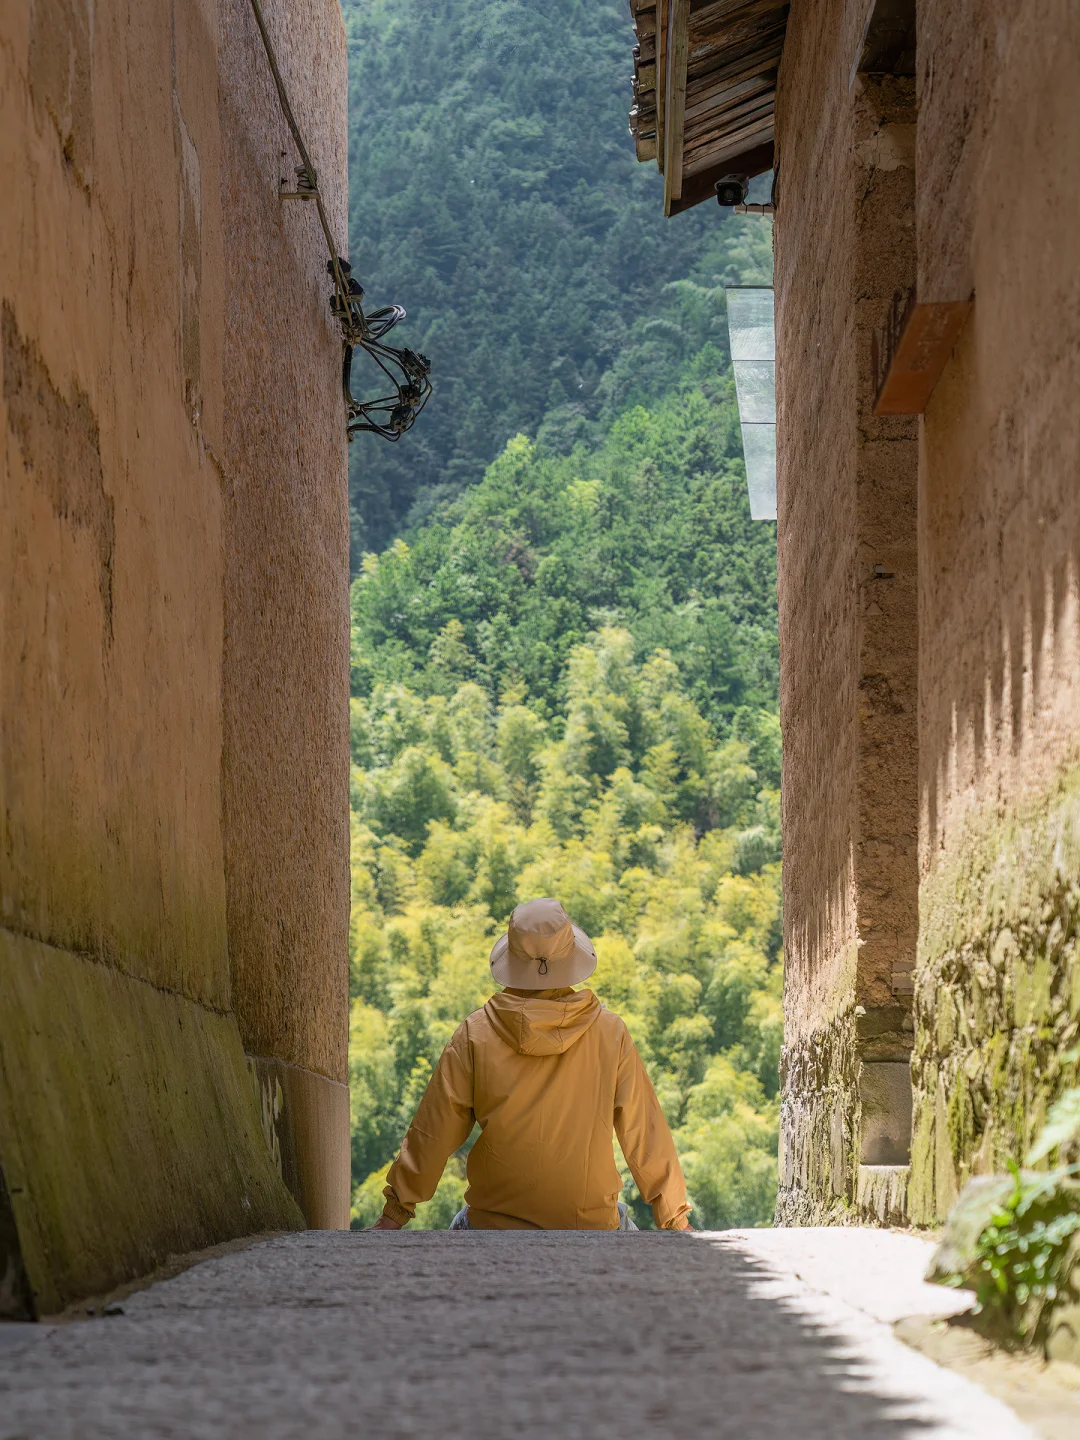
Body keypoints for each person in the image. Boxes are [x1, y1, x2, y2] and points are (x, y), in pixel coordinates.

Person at [368, 897, 692, 1232]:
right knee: (623, 1223)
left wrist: (395, 1212)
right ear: (571, 958)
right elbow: (644, 1131)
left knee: (460, 1225)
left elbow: (433, 1131)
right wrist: (676, 1219)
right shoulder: (610, 1034)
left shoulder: (475, 1033)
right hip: (589, 1224)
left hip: (492, 1225)